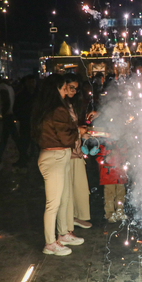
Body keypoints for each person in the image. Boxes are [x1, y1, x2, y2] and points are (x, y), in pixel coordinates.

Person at [32, 74, 84, 256]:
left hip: (58, 155)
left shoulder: (46, 108)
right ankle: (50, 243)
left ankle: (63, 234)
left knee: (64, 198)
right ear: (56, 89)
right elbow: (66, 136)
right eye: (63, 88)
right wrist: (78, 131)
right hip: (54, 157)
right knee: (53, 203)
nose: (65, 92)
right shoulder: (57, 110)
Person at [64, 73, 93, 229]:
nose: (73, 91)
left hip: (75, 149)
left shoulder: (71, 104)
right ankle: (69, 220)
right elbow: (62, 130)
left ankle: (77, 216)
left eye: (76, 88)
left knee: (79, 185)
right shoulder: (60, 106)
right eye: (70, 88)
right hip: (67, 150)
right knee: (71, 186)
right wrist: (78, 131)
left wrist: (82, 131)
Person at [0, 71, 20, 164]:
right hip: (9, 113)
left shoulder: (2, 86)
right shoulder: (8, 85)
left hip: (7, 115)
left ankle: (24, 154)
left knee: (15, 137)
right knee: (5, 137)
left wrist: (2, 114)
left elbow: (5, 102)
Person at [96, 142, 128, 223]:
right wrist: (106, 158)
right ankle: (110, 213)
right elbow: (98, 158)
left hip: (119, 174)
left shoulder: (121, 143)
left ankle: (119, 212)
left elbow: (125, 156)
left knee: (121, 194)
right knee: (109, 195)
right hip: (108, 175)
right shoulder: (103, 144)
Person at [12, 74, 37, 169]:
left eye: (33, 81)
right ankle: (23, 160)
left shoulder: (38, 94)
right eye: (30, 82)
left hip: (36, 123)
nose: (32, 84)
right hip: (25, 122)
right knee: (24, 143)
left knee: (37, 144)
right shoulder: (21, 95)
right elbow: (16, 108)